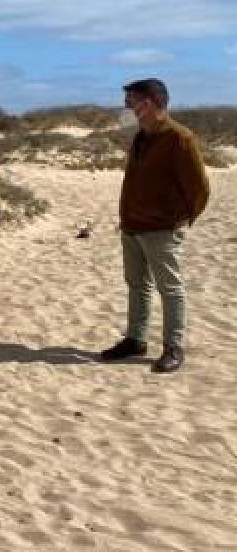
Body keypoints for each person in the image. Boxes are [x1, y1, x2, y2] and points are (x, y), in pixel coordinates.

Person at [99, 79, 209, 373]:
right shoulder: (141, 136)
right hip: (132, 225)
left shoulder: (180, 138)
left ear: (147, 103)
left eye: (130, 102)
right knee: (137, 286)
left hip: (162, 228)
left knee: (170, 288)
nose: (127, 108)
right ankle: (135, 339)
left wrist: (178, 219)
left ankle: (174, 346)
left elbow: (199, 189)